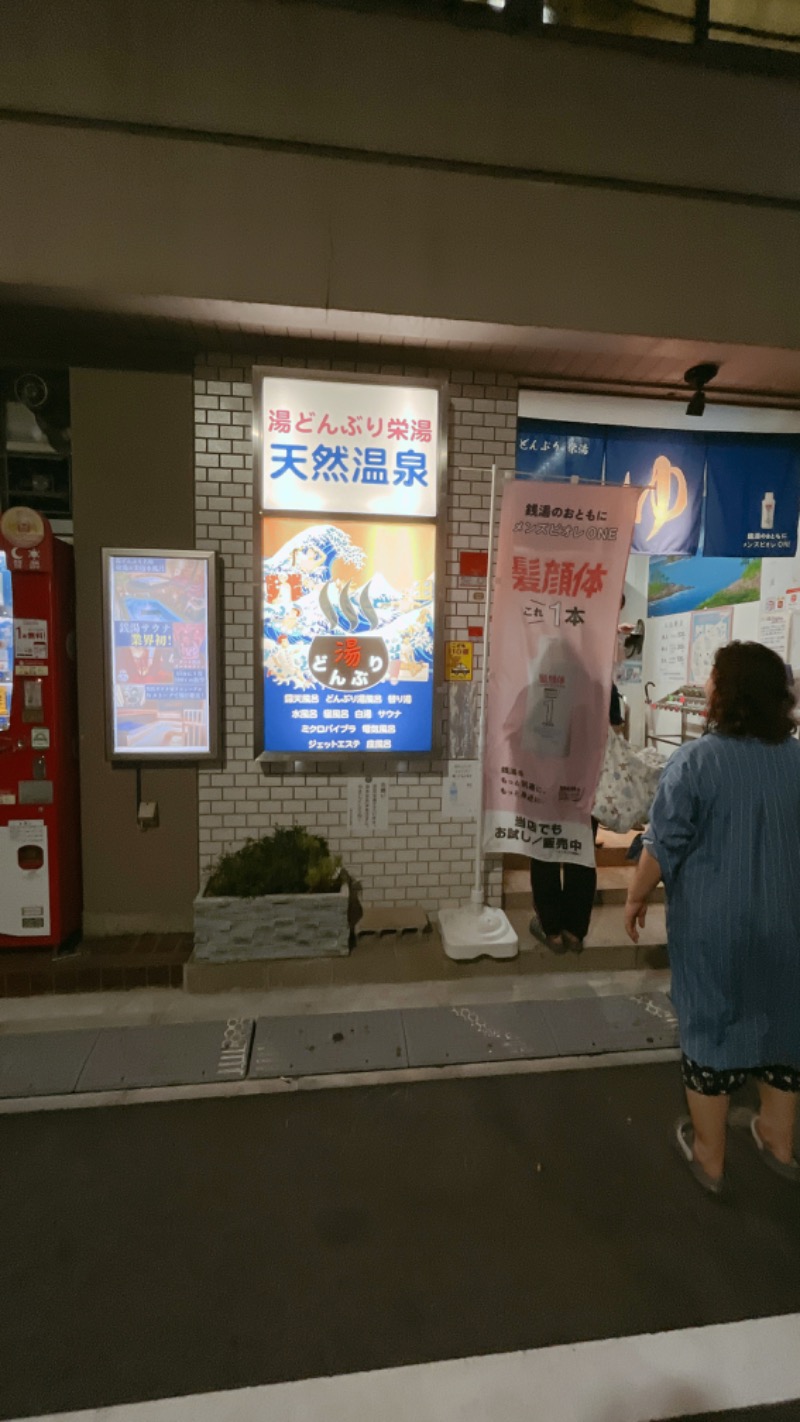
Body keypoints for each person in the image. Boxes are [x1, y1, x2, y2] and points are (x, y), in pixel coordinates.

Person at [625, 642, 800, 1195]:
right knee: (786, 1026)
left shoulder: (697, 761)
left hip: (715, 931)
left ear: (726, 694)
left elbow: (663, 844)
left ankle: (710, 1156)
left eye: (713, 678)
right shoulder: (797, 759)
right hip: (790, 926)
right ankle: (777, 1138)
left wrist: (634, 898)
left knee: (710, 1030)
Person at [530, 680, 624, 954]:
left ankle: (552, 931)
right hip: (586, 785)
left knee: (544, 854)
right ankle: (574, 932)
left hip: (548, 783)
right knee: (580, 854)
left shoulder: (544, 680)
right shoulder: (603, 684)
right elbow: (614, 735)